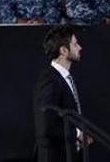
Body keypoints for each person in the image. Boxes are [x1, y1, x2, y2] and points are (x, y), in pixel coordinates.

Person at [33, 26, 87, 162]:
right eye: (75, 44)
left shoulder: (63, 78)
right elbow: (46, 127)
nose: (79, 47)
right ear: (63, 50)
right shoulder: (50, 80)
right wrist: (78, 134)